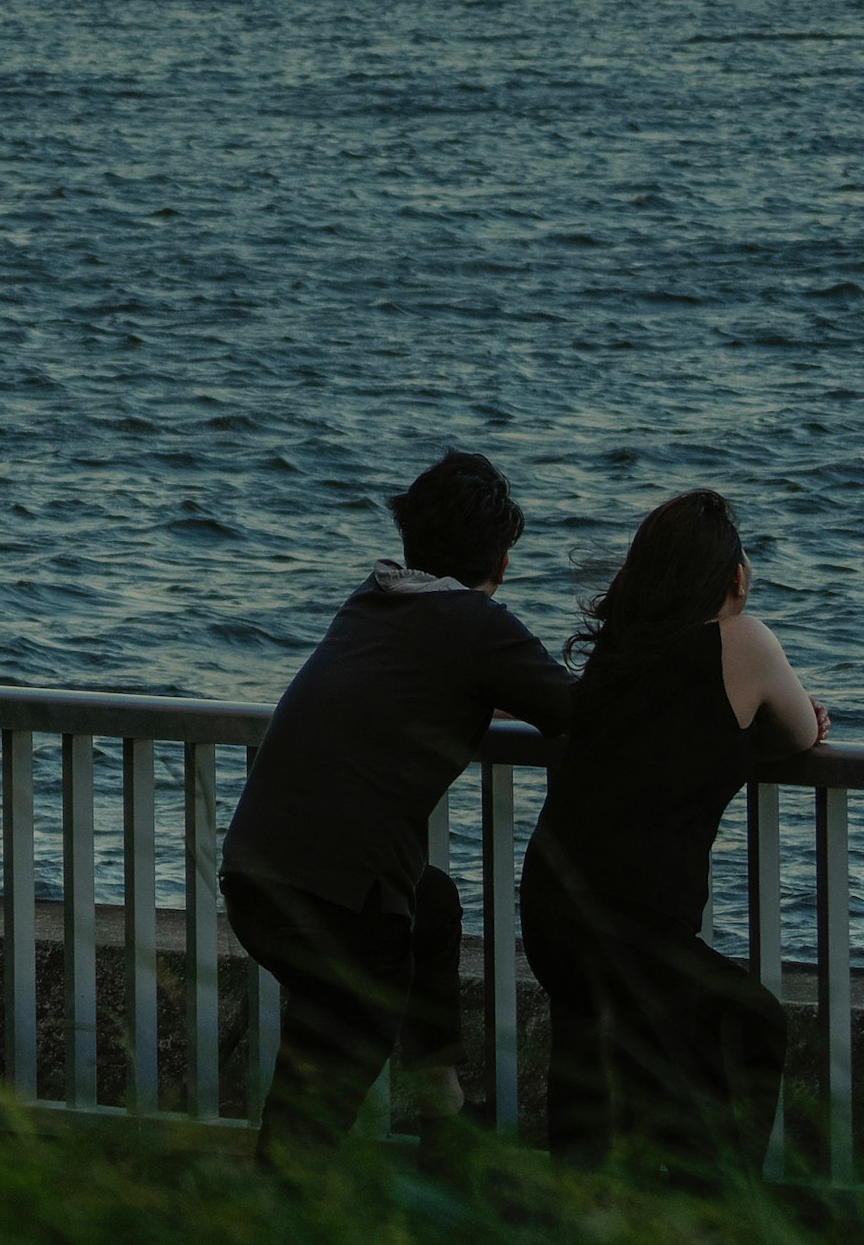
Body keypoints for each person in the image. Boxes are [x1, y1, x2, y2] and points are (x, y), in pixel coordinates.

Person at [223, 451, 580, 1154]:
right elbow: (579, 709)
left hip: (257, 873)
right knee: (321, 1092)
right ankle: (275, 1229)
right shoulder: (476, 623)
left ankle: (443, 1113)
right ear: (500, 560)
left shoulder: (374, 599)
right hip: (337, 898)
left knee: (431, 905)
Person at [520, 487, 826, 1171]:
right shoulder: (741, 640)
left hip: (552, 908)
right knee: (749, 1025)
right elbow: (801, 732)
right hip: (634, 923)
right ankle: (709, 1215)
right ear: (735, 577)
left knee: (597, 1052)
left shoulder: (618, 656)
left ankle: (585, 1215)